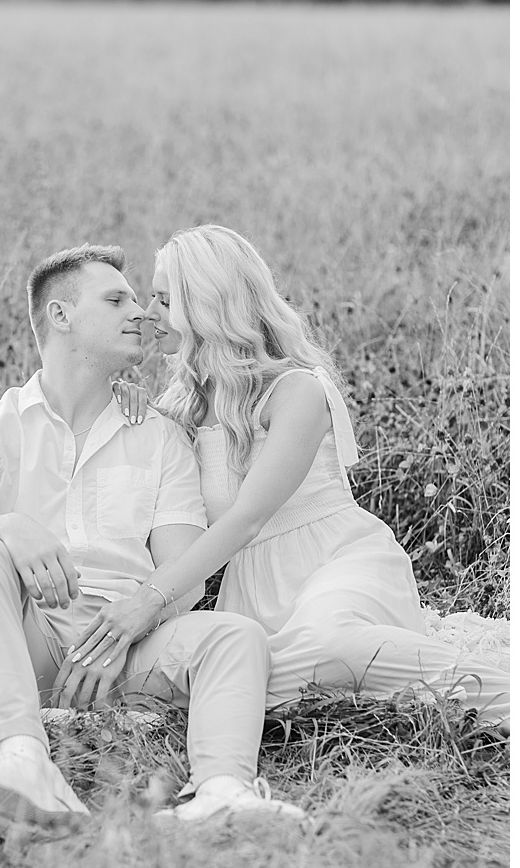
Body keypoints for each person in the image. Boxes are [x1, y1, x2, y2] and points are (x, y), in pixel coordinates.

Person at [0, 243, 303, 861]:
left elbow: (184, 574)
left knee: (234, 634)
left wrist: (129, 628)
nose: (140, 312)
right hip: (28, 633)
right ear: (60, 316)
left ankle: (222, 793)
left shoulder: (158, 435)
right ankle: (20, 758)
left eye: (137, 298)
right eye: (116, 299)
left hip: (128, 641)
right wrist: (13, 527)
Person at [68, 225, 508, 726]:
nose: (148, 314)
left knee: (331, 644)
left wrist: (147, 602)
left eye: (164, 300)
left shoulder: (296, 391)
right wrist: (131, 410)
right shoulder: (180, 409)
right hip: (252, 592)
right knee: (253, 677)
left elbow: (247, 519)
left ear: (209, 307)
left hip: (336, 564)